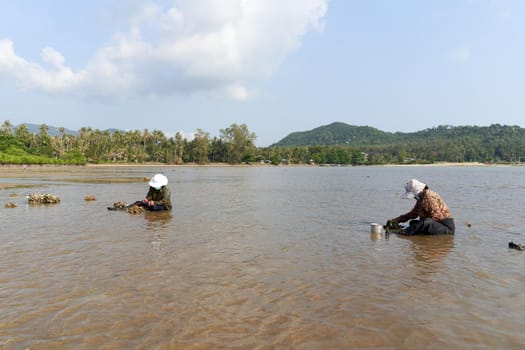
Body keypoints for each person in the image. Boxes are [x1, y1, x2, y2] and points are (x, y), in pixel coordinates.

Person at [387, 179, 454, 235]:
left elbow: (437, 217)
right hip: (436, 224)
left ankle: (403, 232)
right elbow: (413, 214)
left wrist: (417, 226)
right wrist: (397, 220)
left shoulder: (429, 197)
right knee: (413, 223)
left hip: (446, 227)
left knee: (424, 223)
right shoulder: (421, 198)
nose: (414, 197)